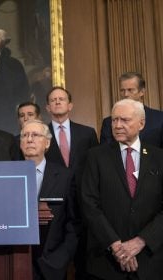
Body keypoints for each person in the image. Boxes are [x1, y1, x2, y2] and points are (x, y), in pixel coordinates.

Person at [81, 99, 163, 280]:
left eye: (124, 120)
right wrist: (117, 247)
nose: (117, 125)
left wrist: (141, 242)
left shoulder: (159, 157)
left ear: (141, 123)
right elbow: (89, 204)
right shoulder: (95, 157)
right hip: (107, 262)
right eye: (114, 120)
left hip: (151, 260)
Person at [44, 86, 98, 280]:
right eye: (53, 100)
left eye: (62, 99)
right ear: (48, 107)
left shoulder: (87, 133)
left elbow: (95, 167)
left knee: (84, 256)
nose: (57, 102)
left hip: (83, 201)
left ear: (70, 105)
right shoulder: (41, 135)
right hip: (54, 204)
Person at [20, 120, 77, 280]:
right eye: (25, 135)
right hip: (16, 262)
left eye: (35, 135)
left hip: (52, 265)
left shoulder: (65, 176)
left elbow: (74, 223)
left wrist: (61, 259)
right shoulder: (9, 175)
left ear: (47, 143)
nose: (29, 139)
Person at [100, 72, 163, 146]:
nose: (126, 94)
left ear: (142, 92)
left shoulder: (160, 118)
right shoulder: (108, 122)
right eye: (122, 90)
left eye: (130, 90)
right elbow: (104, 153)